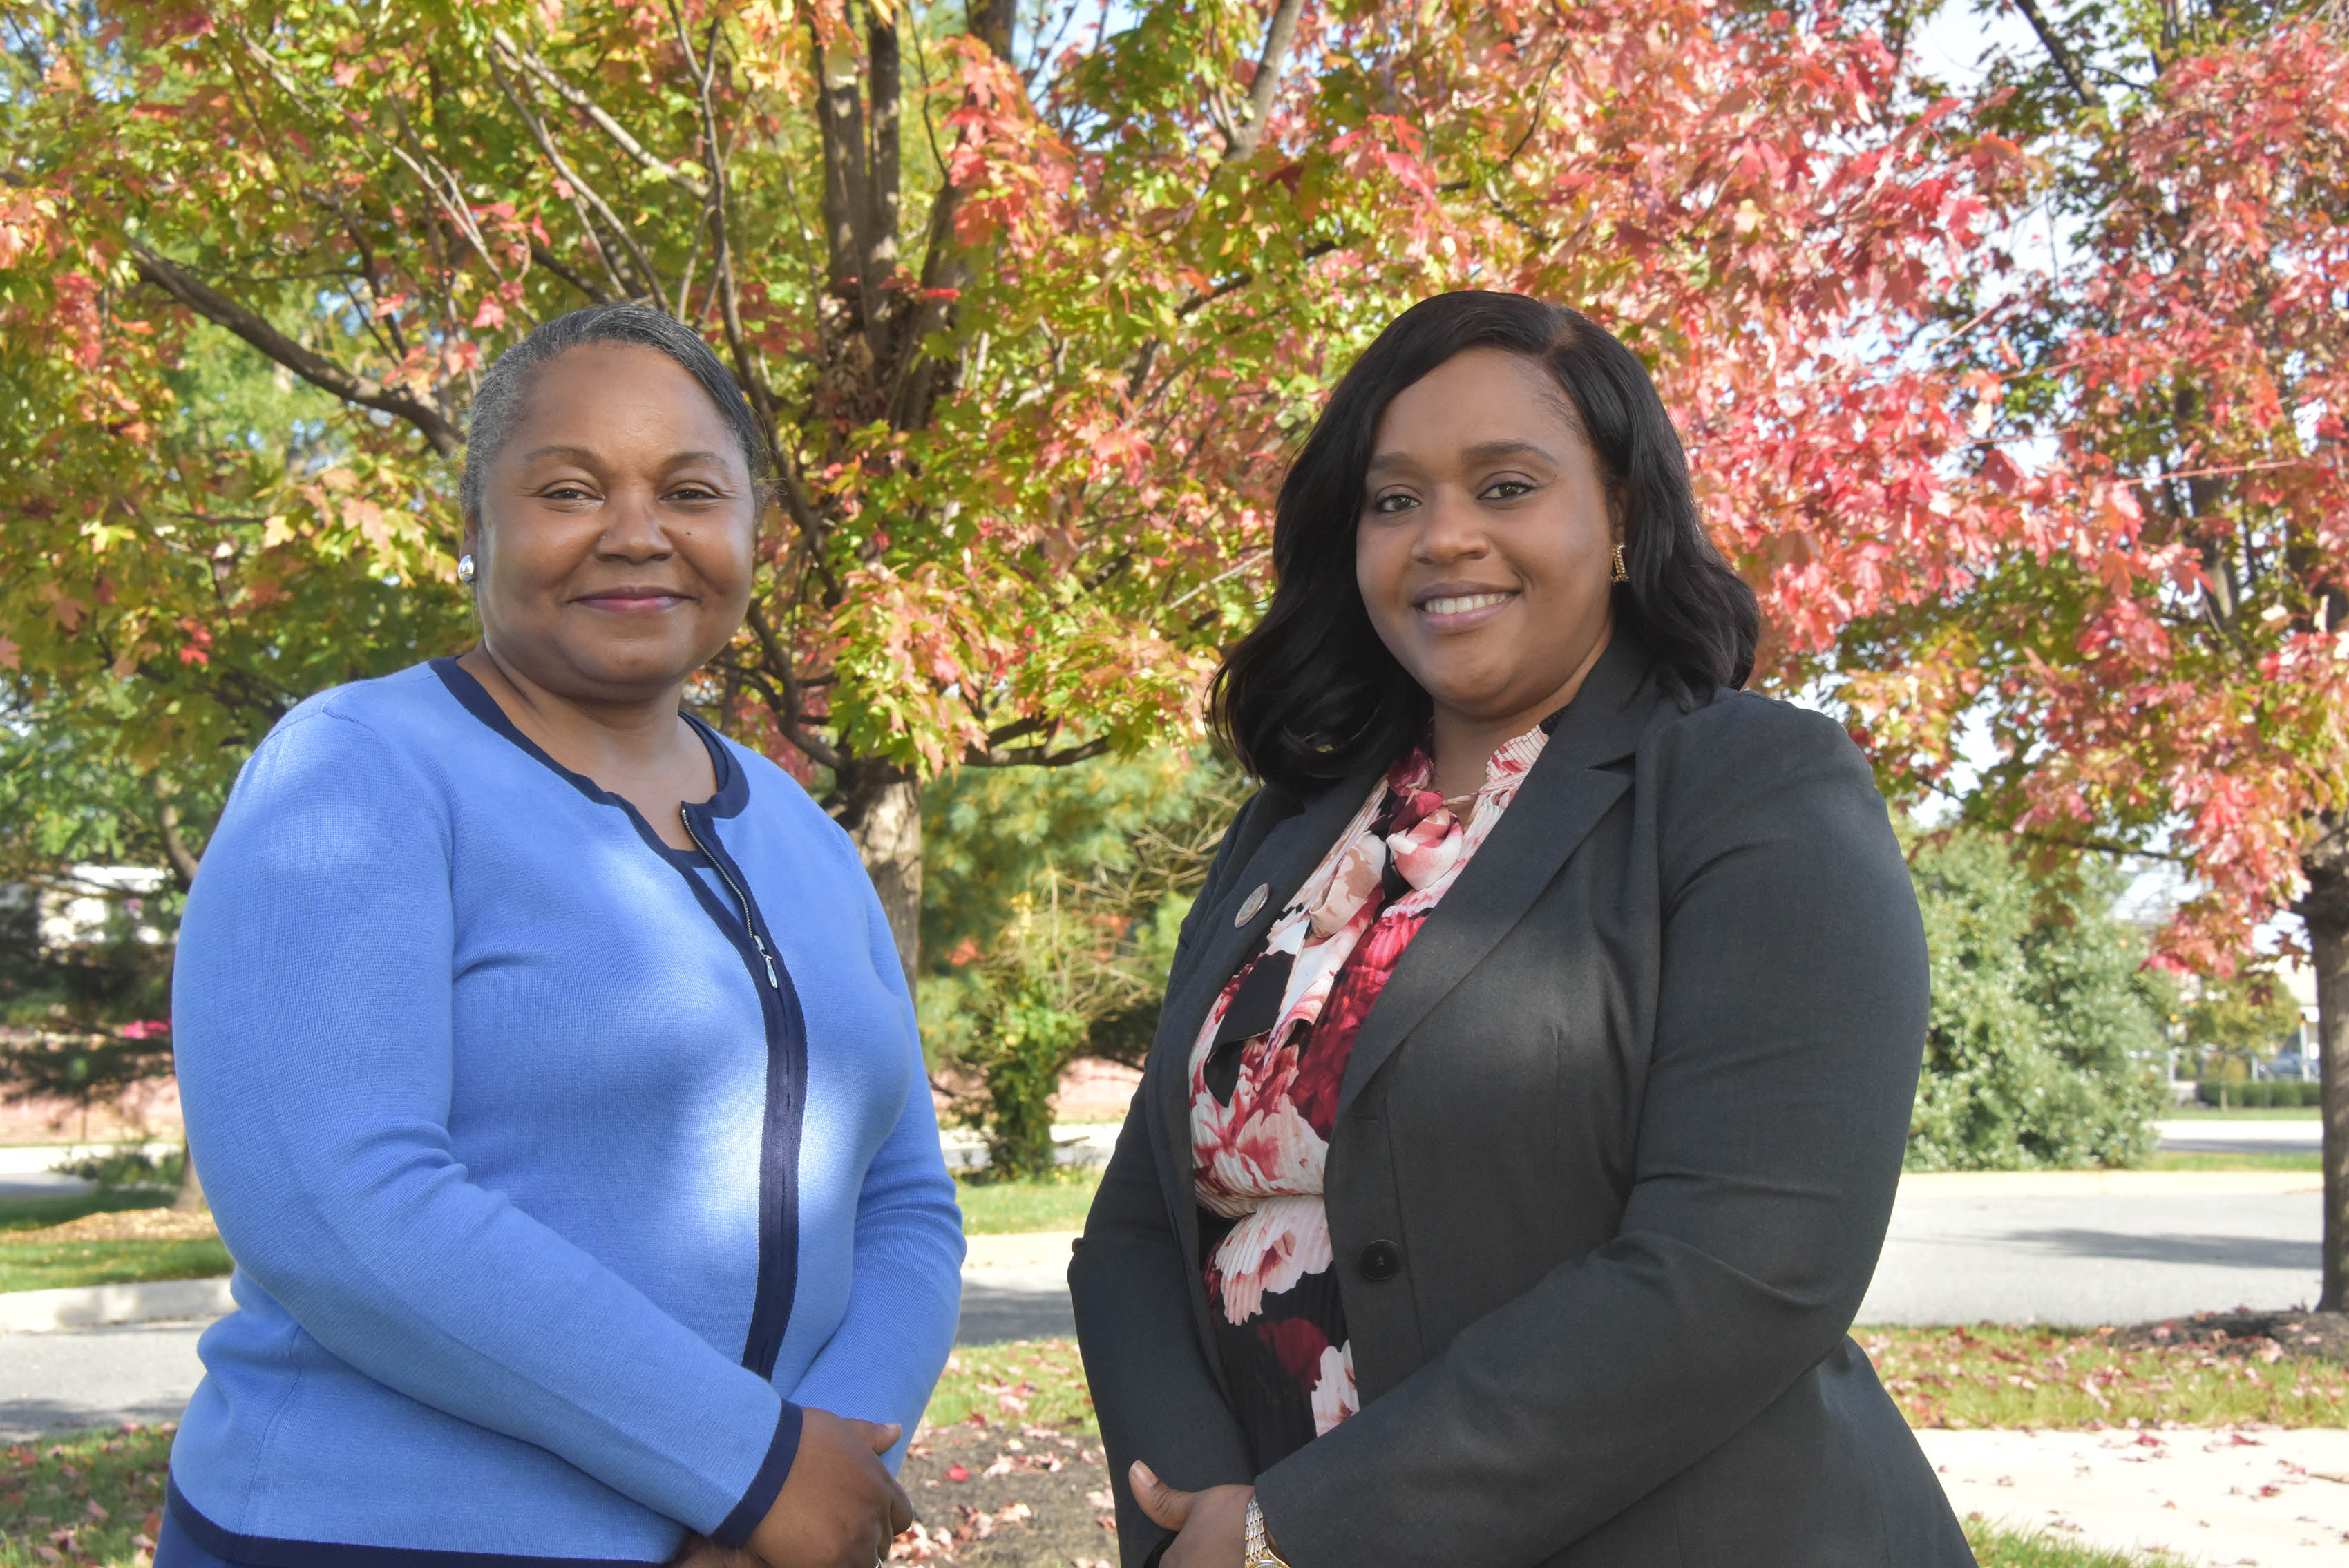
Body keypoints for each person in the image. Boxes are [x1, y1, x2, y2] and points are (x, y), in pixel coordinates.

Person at [1069, 291, 1968, 1567]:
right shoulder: (1296, 830)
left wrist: (1300, 1531)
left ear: (1624, 521)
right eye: (1394, 500)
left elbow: (1744, 1268)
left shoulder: (1755, 789)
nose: (1445, 538)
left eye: (1506, 486)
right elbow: (1143, 1226)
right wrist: (1197, 1514)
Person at [162, 305, 962, 1568]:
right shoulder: (355, 771)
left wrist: (819, 1483)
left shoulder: (801, 829)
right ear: (478, 529)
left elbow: (907, 1198)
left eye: (691, 490)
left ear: (749, 529)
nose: (637, 531)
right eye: (571, 488)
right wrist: (749, 1469)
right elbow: (337, 1203)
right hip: (375, 1538)